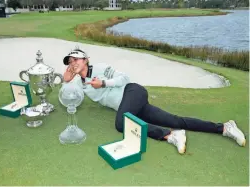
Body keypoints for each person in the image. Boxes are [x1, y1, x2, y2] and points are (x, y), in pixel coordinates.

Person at [62, 48, 246, 154]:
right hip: (133, 109)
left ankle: (169, 135)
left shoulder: (100, 68)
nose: (73, 63)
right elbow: (70, 97)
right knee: (175, 120)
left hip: (133, 92)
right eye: (70, 62)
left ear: (86, 60)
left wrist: (103, 83)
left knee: (120, 123)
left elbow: (124, 78)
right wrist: (67, 78)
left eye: (76, 59)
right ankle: (224, 127)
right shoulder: (82, 84)